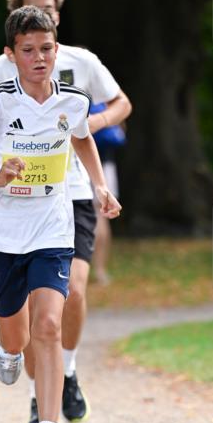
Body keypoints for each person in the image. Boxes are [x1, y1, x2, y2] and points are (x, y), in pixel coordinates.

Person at [0, 6, 121, 423]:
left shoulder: (73, 101)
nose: (39, 58)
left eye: (46, 48)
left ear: (56, 49)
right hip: (2, 235)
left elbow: (82, 138)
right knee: (16, 337)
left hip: (52, 229)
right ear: (11, 55)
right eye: (28, 50)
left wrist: (99, 186)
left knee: (48, 326)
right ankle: (5, 352)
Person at [89, 101, 126, 285]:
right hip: (107, 165)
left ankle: (85, 268)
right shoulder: (107, 102)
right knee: (101, 216)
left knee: (94, 216)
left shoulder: (77, 98)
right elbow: (121, 129)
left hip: (85, 167)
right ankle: (100, 270)